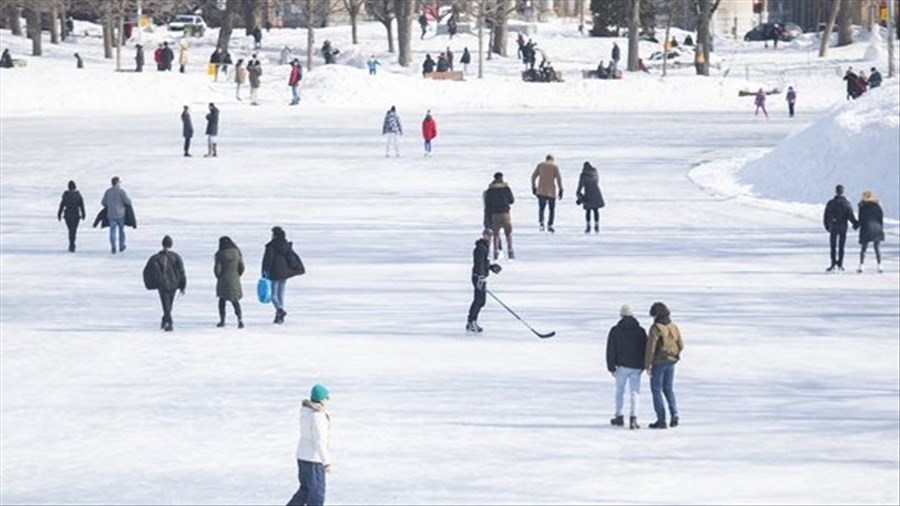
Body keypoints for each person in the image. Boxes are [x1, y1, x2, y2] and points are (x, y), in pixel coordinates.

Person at [286, 384, 332, 506]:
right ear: (322, 400)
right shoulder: (318, 416)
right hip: (314, 460)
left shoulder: (306, 412)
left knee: (305, 490)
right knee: (317, 495)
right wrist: (326, 462)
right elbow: (319, 440)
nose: (328, 401)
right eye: (327, 398)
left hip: (302, 456)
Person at [606, 304, 647, 430]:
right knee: (635, 393)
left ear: (621, 315)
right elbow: (645, 349)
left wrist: (611, 367)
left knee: (619, 391)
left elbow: (610, 350)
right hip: (636, 366)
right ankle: (633, 419)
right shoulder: (640, 331)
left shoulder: (615, 330)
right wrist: (643, 366)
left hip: (621, 366)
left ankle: (619, 416)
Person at [644, 302, 683, 429]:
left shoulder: (656, 328)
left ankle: (661, 420)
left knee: (656, 389)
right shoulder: (673, 326)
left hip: (659, 361)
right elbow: (681, 345)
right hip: (672, 360)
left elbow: (650, 348)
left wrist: (647, 365)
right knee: (668, 388)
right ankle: (674, 414)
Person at [261, 226, 305, 324]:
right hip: (284, 273)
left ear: (275, 235)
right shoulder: (286, 245)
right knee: (280, 295)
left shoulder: (271, 246)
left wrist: (264, 271)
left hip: (274, 273)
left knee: (273, 296)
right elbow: (291, 258)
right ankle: (279, 317)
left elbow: (268, 260)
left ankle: (280, 310)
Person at [145, 235, 186, 332]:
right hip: (173, 284)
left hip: (162, 285)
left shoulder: (155, 258)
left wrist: (152, 283)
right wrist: (182, 285)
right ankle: (169, 323)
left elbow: (147, 272)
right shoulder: (176, 257)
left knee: (166, 305)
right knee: (168, 305)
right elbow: (182, 272)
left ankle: (165, 321)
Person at [466, 230, 502, 333]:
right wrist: (480, 276)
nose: (490, 238)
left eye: (491, 236)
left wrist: (491, 267)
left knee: (481, 302)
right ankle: (471, 322)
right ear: (484, 235)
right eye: (488, 236)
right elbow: (478, 264)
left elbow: (484, 263)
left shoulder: (485, 247)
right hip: (478, 277)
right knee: (478, 301)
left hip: (482, 277)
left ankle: (472, 321)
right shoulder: (480, 248)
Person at [823, 184, 858, 272]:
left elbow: (826, 215)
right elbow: (850, 216)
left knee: (833, 246)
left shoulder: (831, 203)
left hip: (833, 227)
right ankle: (840, 264)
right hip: (843, 227)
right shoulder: (846, 203)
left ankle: (833, 264)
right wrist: (856, 224)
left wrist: (827, 226)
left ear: (836, 191)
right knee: (841, 246)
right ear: (843, 192)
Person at [214, 236, 245, 328]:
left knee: (222, 301)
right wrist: (237, 275)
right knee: (235, 300)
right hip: (235, 279)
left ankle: (222, 320)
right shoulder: (237, 253)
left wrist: (218, 276)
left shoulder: (220, 254)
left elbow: (217, 270)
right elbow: (241, 267)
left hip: (223, 280)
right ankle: (240, 319)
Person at [484, 172, 515, 260]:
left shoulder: (490, 190)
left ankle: (496, 251)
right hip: (505, 214)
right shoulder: (506, 188)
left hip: (495, 215)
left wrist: (488, 218)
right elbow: (512, 200)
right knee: (508, 234)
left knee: (496, 235)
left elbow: (488, 205)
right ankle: (510, 250)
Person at [530, 154, 563, 233]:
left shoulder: (540, 165)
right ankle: (550, 224)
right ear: (552, 159)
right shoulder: (555, 167)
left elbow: (533, 176)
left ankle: (541, 222)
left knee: (541, 208)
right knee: (551, 209)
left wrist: (533, 187)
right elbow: (559, 179)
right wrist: (561, 189)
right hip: (551, 191)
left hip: (541, 190)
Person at [100, 176, 132, 254]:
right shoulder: (121, 192)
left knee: (112, 231)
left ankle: (113, 246)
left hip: (111, 214)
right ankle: (121, 246)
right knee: (121, 231)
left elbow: (103, 202)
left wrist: (109, 206)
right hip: (121, 214)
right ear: (117, 183)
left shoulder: (108, 192)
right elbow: (128, 202)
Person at [855, 190, 884, 273]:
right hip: (877, 228)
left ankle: (861, 265)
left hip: (866, 228)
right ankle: (880, 265)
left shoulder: (863, 207)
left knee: (864, 248)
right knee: (877, 248)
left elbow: (861, 220)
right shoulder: (877, 206)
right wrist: (880, 228)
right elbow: (880, 218)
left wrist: (855, 225)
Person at [575, 161, 605, 233]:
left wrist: (579, 197)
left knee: (588, 210)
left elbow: (580, 186)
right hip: (597, 194)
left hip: (588, 194)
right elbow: (597, 181)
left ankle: (588, 226)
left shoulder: (583, 175)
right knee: (595, 210)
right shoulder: (595, 173)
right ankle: (597, 225)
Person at [57, 180, 86, 252]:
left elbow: (62, 205)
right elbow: (82, 206)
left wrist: (59, 214)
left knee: (70, 230)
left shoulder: (66, 195)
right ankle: (72, 244)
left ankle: (71, 243)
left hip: (68, 214)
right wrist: (83, 214)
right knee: (74, 230)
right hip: (76, 214)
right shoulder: (78, 195)